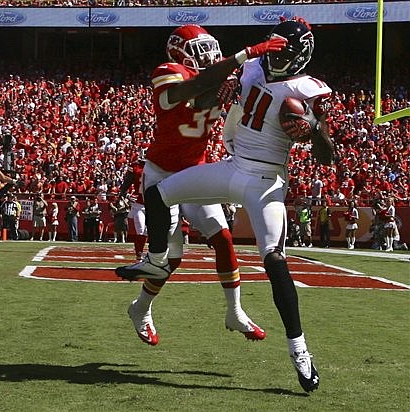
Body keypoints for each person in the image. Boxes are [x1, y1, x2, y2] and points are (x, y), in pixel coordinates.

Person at [116, 18, 331, 392]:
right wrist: (235, 72)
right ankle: (152, 269)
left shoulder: (308, 88)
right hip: (228, 168)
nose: (276, 55)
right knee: (159, 197)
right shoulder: (247, 66)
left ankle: (299, 351)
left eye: (284, 49)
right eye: (273, 45)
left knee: (273, 261)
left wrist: (313, 131)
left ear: (300, 55)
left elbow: (326, 156)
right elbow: (202, 96)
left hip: (264, 183)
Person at [117, 24, 284, 348]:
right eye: (199, 48)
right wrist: (245, 55)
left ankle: (235, 311)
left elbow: (211, 93)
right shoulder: (168, 72)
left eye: (209, 47)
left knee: (222, 238)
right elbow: (187, 93)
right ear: (179, 51)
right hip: (163, 174)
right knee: (171, 258)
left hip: (195, 172)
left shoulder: (214, 77)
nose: (207, 54)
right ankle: (141, 309)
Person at [120, 157, 147, 259]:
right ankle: (139, 254)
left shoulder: (157, 166)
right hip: (139, 204)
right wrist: (126, 194)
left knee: (147, 231)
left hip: (152, 203)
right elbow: (127, 182)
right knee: (140, 229)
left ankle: (148, 254)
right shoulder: (135, 166)